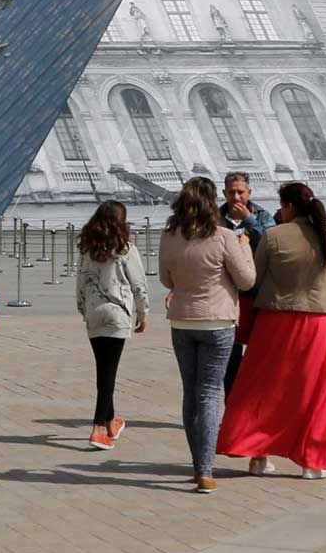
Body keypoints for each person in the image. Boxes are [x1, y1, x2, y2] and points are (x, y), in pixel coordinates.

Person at [217, 182, 326, 479]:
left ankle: (258, 457)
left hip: (274, 322)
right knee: (318, 393)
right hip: (318, 324)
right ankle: (312, 462)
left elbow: (253, 279)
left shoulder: (273, 236)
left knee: (262, 390)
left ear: (287, 207)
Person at [158, 176, 254, 493]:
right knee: (210, 393)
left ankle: (197, 463)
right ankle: (206, 469)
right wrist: (244, 247)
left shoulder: (169, 236)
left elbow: (165, 279)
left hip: (183, 321)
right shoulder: (224, 236)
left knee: (191, 392)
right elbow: (246, 280)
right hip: (217, 321)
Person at [74, 199, 147, 449]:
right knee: (108, 372)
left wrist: (83, 309)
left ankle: (110, 421)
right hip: (117, 313)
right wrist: (143, 312)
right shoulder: (126, 249)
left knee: (104, 369)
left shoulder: (87, 249)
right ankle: (97, 428)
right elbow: (138, 284)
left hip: (94, 312)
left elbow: (80, 282)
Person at [218, 172, 271, 396]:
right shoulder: (216, 217)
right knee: (229, 357)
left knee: (259, 354)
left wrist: (249, 220)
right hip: (228, 295)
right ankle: (231, 404)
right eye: (232, 192)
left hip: (256, 294)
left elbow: (271, 242)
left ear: (249, 193)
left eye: (241, 192)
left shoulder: (261, 216)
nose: (236, 197)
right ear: (224, 193)